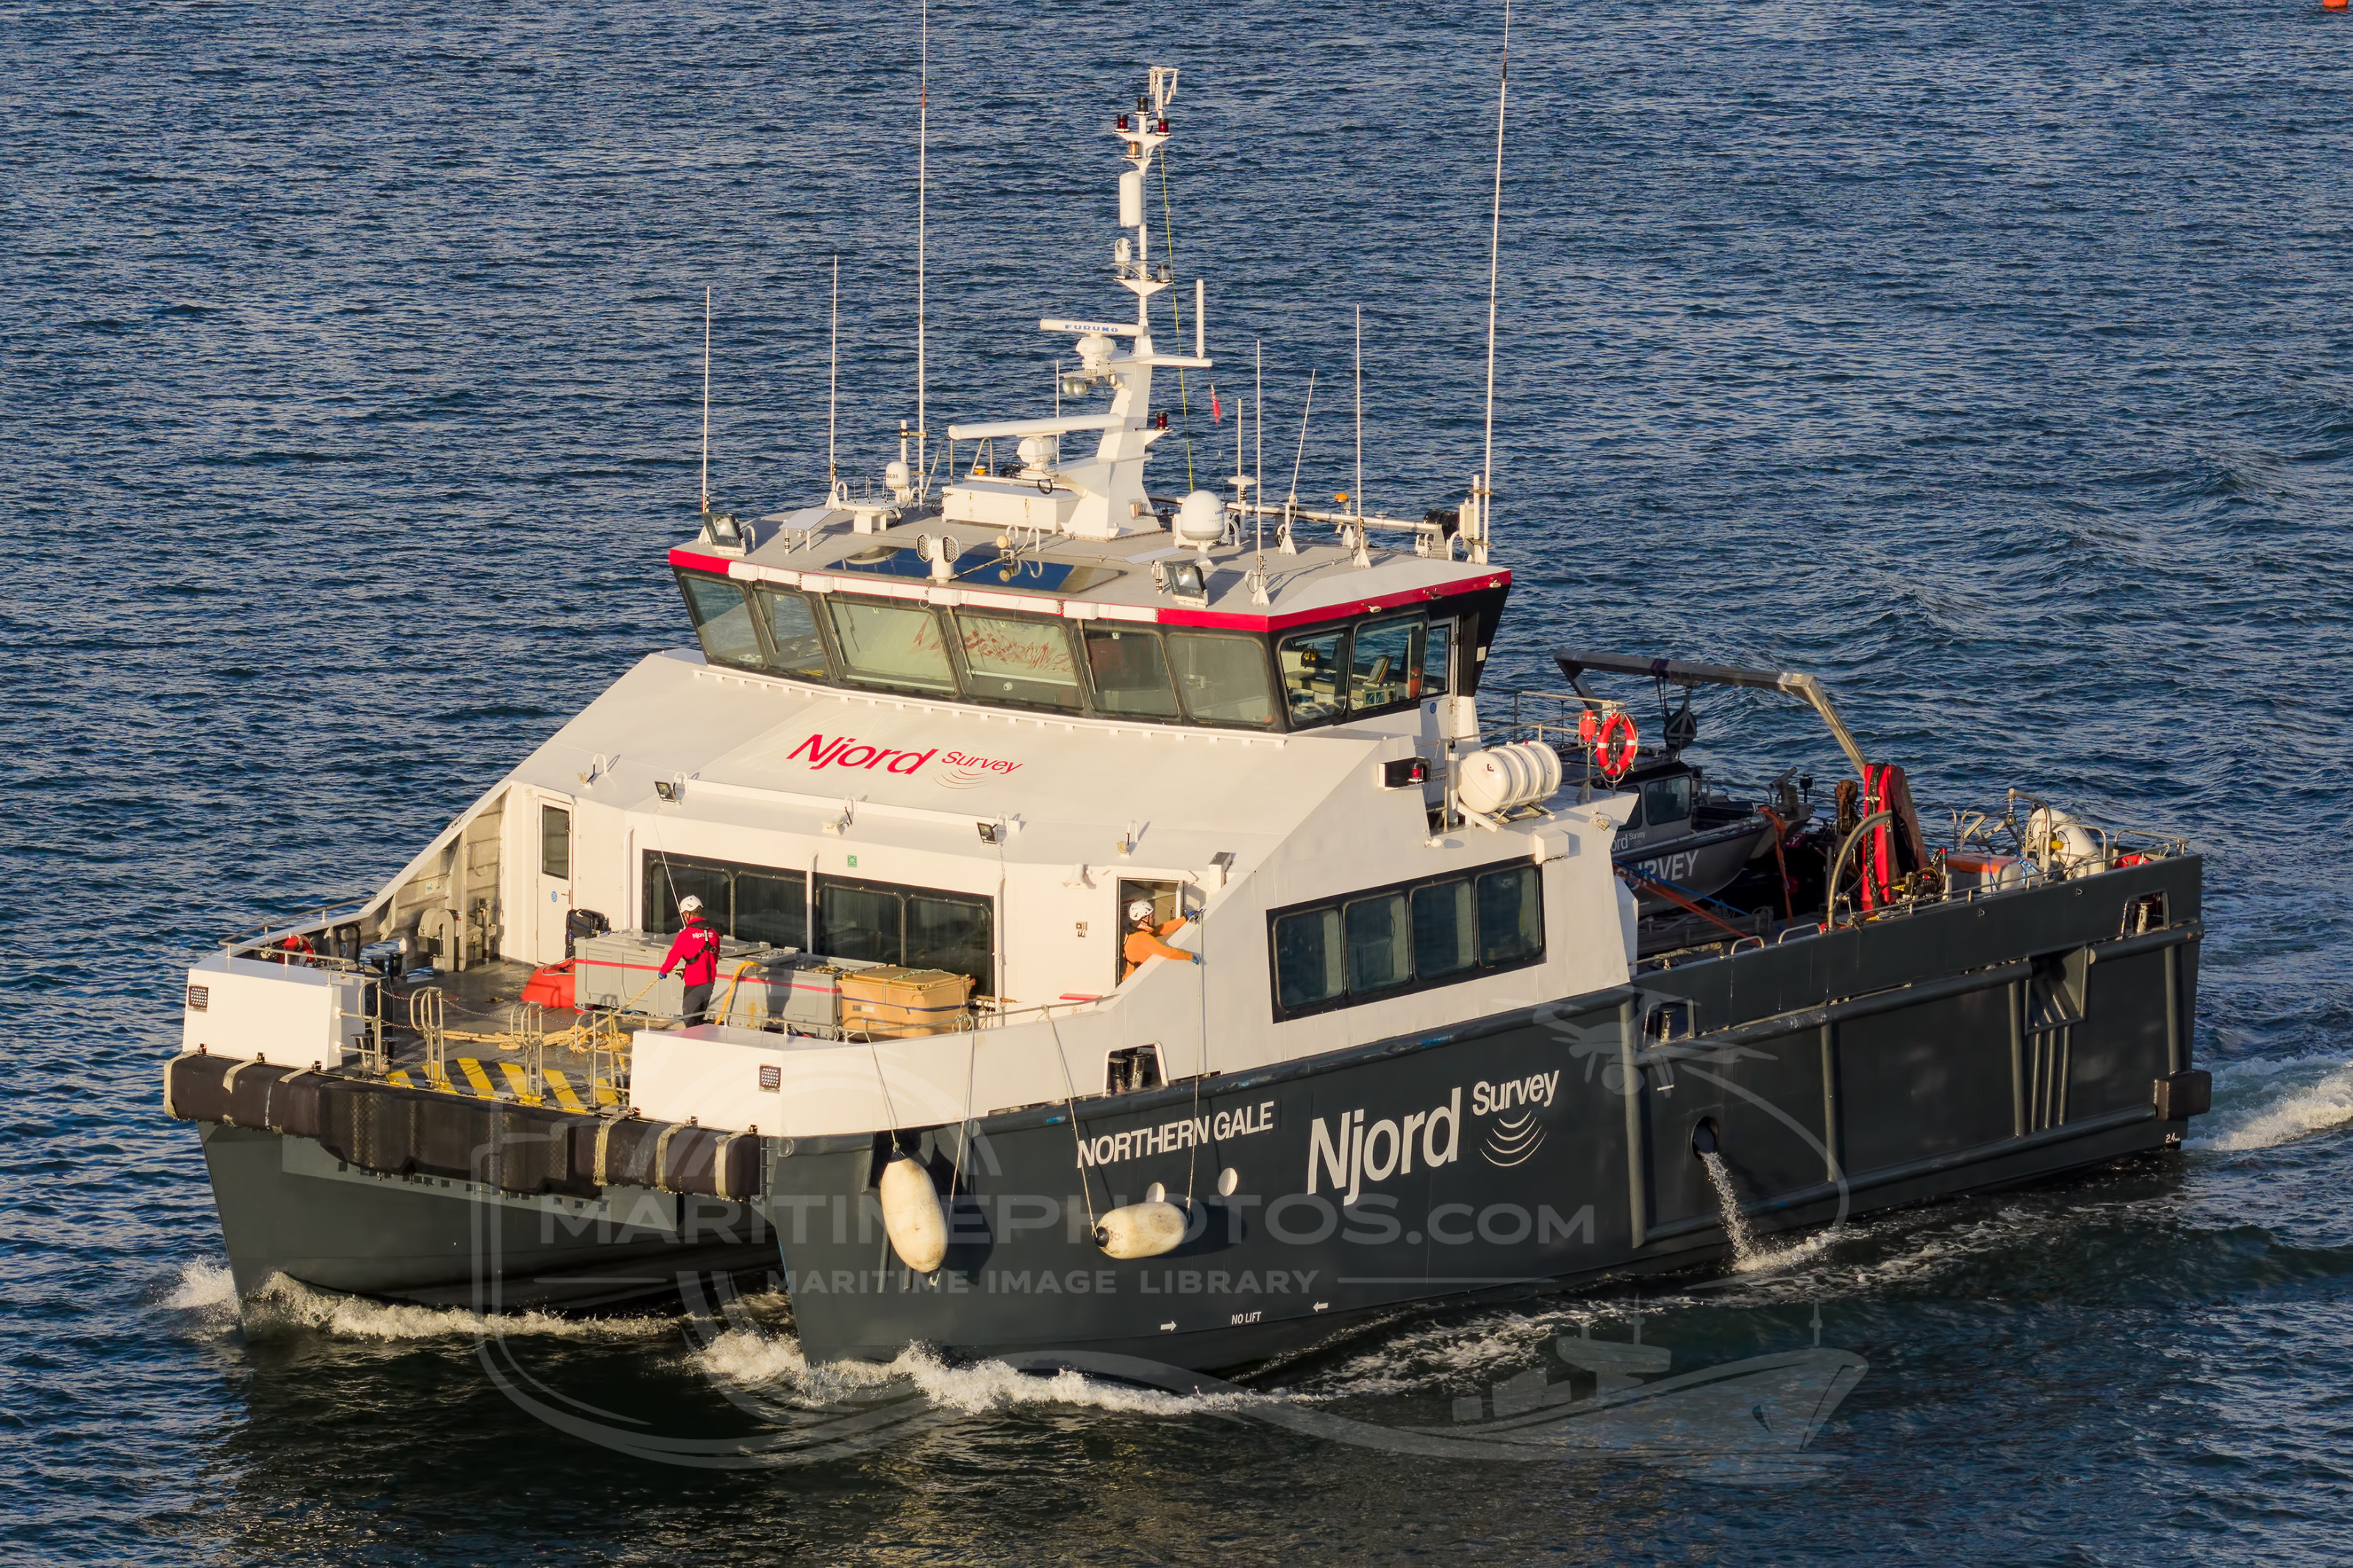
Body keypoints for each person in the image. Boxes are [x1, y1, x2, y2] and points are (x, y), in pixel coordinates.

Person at [659, 895, 724, 1023]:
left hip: (694, 984)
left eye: (684, 915)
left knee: (690, 1021)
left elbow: (674, 956)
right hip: (709, 984)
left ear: (688, 914)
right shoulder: (713, 933)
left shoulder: (686, 935)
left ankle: (693, 1042)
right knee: (699, 1019)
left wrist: (663, 971)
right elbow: (714, 957)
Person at [1122, 898, 1199, 981]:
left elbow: (1162, 929)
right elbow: (1168, 953)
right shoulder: (1142, 937)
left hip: (1131, 977)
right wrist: (1189, 956)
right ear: (1144, 918)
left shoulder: (1135, 932)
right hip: (1135, 982)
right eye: (1151, 916)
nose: (1154, 918)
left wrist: (1184, 919)